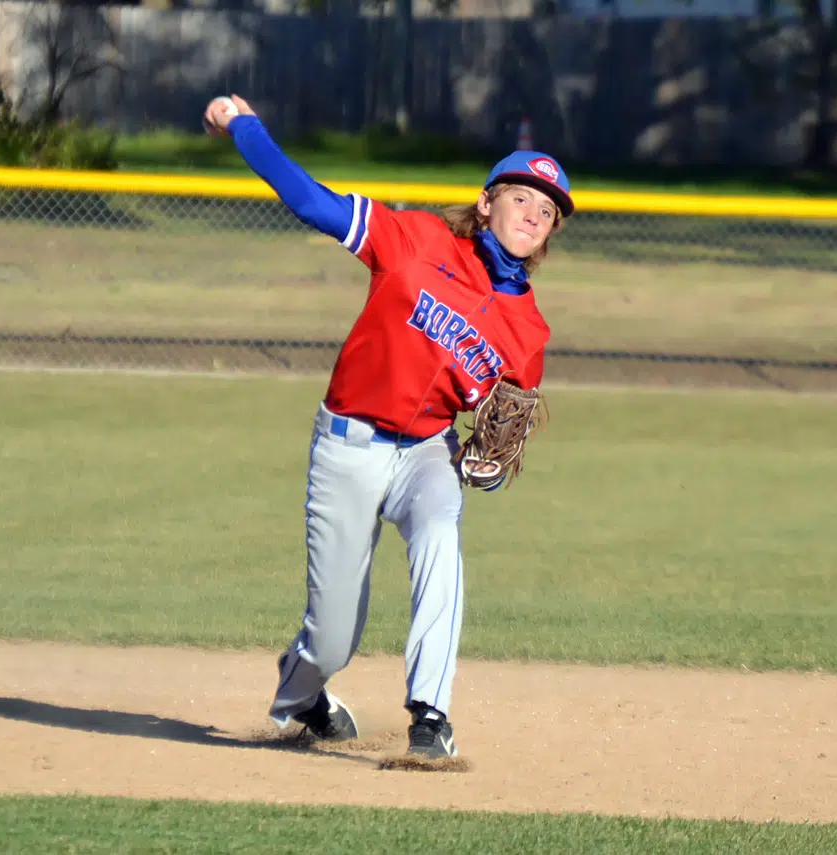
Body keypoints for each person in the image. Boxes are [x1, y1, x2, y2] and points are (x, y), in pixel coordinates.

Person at [202, 95, 572, 760]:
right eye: (522, 198)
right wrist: (244, 127)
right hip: (347, 443)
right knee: (332, 637)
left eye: (547, 212)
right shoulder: (416, 241)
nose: (533, 215)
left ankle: (431, 716)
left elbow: (498, 431)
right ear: (486, 203)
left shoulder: (529, 333)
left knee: (440, 532)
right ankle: (304, 692)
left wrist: (487, 468)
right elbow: (310, 201)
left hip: (428, 451)